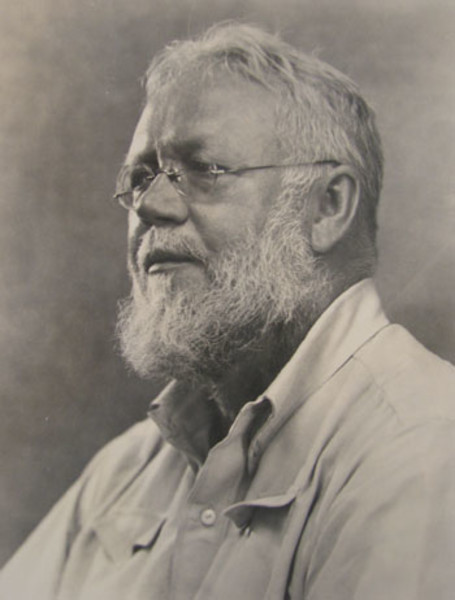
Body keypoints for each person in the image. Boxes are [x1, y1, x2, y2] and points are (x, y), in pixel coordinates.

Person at [1, 22, 454, 600]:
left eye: (207, 170)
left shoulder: (424, 451)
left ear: (328, 208)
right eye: (141, 178)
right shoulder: (128, 469)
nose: (152, 205)